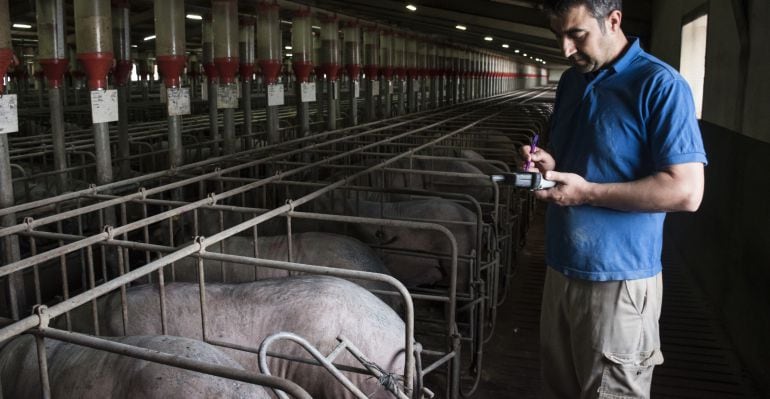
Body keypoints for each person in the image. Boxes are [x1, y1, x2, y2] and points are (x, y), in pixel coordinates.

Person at [521, 1, 708, 398]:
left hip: (619, 279)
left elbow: (687, 190)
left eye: (577, 34)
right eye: (559, 36)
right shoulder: (572, 82)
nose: (566, 50)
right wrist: (549, 164)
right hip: (560, 268)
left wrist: (586, 192)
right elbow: (584, 161)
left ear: (614, 20)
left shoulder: (660, 84)